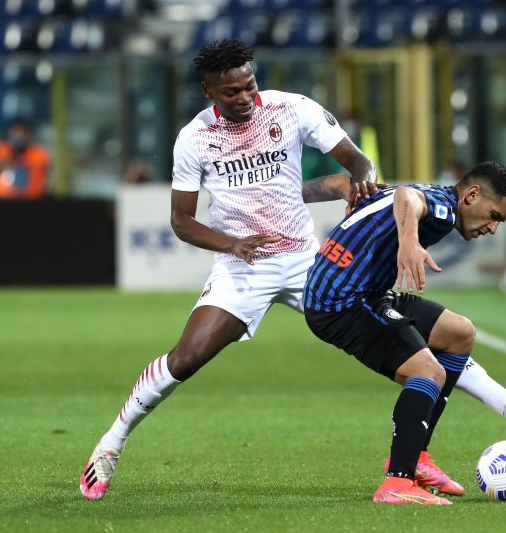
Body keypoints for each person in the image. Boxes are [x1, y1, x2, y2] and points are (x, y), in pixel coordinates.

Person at [79, 39, 380, 500]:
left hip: (304, 259)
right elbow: (181, 221)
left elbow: (356, 160)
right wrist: (232, 244)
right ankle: (110, 444)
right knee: (187, 358)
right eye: (230, 92)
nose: (244, 98)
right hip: (245, 267)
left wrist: (361, 178)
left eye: (249, 86)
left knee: (390, 331)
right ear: (208, 92)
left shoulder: (291, 109)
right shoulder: (194, 138)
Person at [303, 162, 506, 505]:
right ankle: (397, 482)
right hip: (342, 302)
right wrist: (409, 241)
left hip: (359, 291)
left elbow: (392, 194)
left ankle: (419, 456)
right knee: (429, 371)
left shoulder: (439, 197)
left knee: (459, 333)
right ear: (471, 195)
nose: (491, 228)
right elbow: (406, 196)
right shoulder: (443, 209)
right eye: (493, 215)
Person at [0, 120, 50, 199]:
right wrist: (7, 162)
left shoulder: (39, 153)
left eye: (22, 133)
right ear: (10, 133)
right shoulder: (0, 149)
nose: (19, 136)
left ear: (28, 134)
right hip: (3, 197)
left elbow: (48, 179)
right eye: (16, 132)